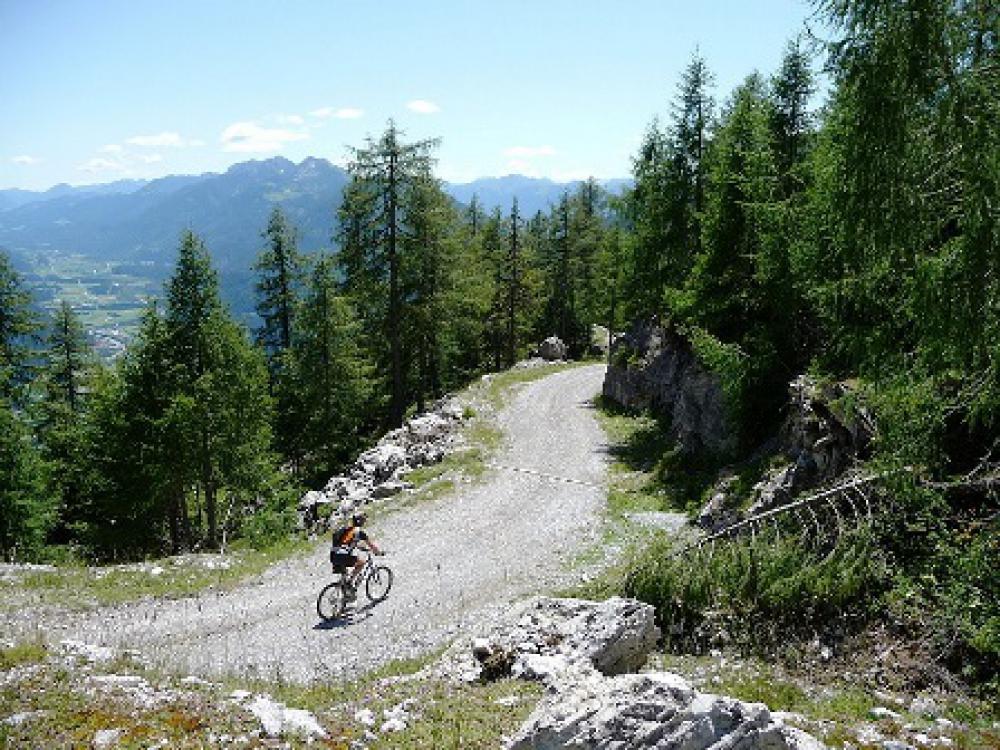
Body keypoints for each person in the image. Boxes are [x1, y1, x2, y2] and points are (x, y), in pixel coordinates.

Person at [329, 512, 382, 599]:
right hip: (342, 556)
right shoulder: (360, 533)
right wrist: (378, 552)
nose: (364, 522)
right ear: (361, 522)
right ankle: (349, 584)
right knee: (361, 563)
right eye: (364, 521)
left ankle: (345, 595)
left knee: (344, 574)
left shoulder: (347, 529)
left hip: (333, 555)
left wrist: (359, 547)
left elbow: (347, 542)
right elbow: (372, 546)